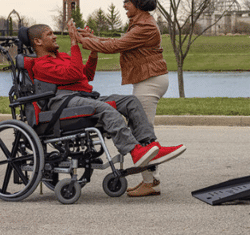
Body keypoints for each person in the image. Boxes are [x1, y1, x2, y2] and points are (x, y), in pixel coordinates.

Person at [25, 20, 186, 184]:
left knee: (130, 101)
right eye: (49, 34)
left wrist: (94, 51)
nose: (54, 36)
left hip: (82, 96)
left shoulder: (64, 57)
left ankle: (151, 146)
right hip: (63, 101)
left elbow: (86, 75)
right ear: (37, 41)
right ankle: (135, 151)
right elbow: (73, 73)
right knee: (105, 109)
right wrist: (74, 43)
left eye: (53, 33)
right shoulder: (40, 65)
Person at [76, 0, 170, 197]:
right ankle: (150, 179)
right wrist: (90, 39)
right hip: (148, 79)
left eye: (127, 1)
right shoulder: (139, 23)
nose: (124, 5)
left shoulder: (145, 27)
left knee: (142, 129)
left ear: (138, 2)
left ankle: (150, 182)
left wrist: (84, 41)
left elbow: (115, 46)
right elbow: (116, 42)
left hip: (151, 81)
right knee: (142, 127)